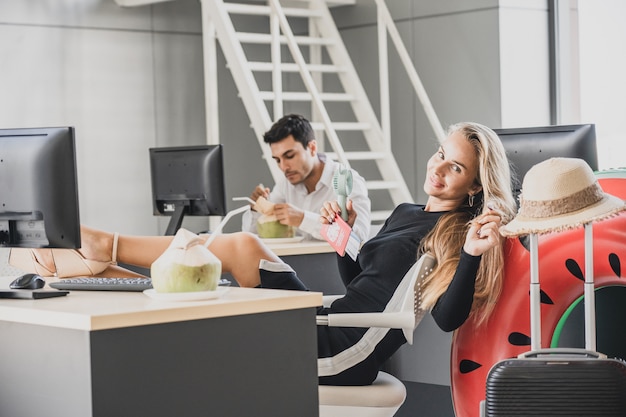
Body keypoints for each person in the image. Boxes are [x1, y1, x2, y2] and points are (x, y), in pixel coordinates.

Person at [23, 122, 517, 386]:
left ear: (474, 183)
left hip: (342, 349)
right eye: (440, 155)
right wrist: (341, 240)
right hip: (333, 315)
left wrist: (472, 253)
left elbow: (448, 318)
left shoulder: (459, 232)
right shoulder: (409, 210)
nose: (438, 169)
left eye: (455, 168)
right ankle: (105, 258)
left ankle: (100, 255)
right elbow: (362, 280)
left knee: (217, 295)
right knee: (245, 247)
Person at [241, 113, 371, 242]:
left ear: (312, 148)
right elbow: (252, 236)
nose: (283, 167)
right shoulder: (285, 185)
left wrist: (303, 219)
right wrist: (256, 209)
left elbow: (359, 237)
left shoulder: (347, 181)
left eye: (290, 156)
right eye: (277, 160)